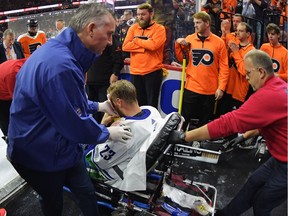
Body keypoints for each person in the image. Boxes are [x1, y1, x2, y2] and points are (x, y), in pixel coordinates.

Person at [8, 4, 133, 216]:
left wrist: (98, 105)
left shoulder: (62, 53)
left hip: (61, 146)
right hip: (38, 153)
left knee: (86, 192)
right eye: (109, 34)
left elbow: (65, 103)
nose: (111, 41)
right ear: (91, 29)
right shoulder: (60, 65)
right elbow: (73, 124)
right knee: (53, 203)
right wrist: (106, 133)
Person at [169, 50, 287, 216]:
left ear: (261, 72)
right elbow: (271, 122)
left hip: (286, 164)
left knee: (262, 203)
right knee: (253, 183)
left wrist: (184, 136)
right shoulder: (279, 85)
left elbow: (227, 123)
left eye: (248, 73)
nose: (246, 77)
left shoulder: (268, 95)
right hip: (279, 158)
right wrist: (243, 136)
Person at [85, 80, 162, 191]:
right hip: (132, 157)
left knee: (76, 157)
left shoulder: (125, 131)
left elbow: (94, 160)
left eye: (110, 102)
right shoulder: (151, 110)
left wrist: (103, 127)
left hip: (114, 173)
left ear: (119, 102)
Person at [174, 11, 229, 130]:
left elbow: (224, 68)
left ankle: (200, 143)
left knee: (204, 123)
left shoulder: (219, 42)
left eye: (198, 23)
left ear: (207, 23)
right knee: (184, 119)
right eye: (195, 23)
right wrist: (178, 45)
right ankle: (178, 142)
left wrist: (221, 88)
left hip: (210, 90)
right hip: (191, 86)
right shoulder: (189, 39)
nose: (195, 25)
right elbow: (181, 59)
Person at [122, 3, 166, 108]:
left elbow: (153, 45)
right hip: (136, 72)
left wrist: (136, 40)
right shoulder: (133, 28)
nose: (140, 17)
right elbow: (125, 46)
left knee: (151, 105)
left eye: (143, 14)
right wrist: (144, 47)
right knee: (137, 104)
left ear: (151, 14)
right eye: (138, 14)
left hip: (153, 72)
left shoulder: (159, 29)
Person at [217, 22, 255, 116]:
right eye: (237, 30)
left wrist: (236, 52)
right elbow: (221, 57)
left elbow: (243, 71)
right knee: (220, 117)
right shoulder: (235, 44)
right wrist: (223, 34)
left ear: (248, 34)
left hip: (238, 93)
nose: (237, 33)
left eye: (241, 31)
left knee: (233, 123)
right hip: (227, 88)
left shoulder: (252, 51)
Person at [86, 34, 124, 123]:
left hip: (105, 80)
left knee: (106, 108)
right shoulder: (87, 37)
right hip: (90, 80)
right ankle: (96, 128)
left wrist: (115, 73)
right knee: (93, 108)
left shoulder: (109, 36)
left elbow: (118, 57)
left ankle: (105, 130)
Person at [0, 58, 27, 141]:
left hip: (5, 82)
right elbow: (18, 101)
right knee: (8, 125)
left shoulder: (28, 62)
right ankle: (11, 143)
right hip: (1, 96)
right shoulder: (14, 74)